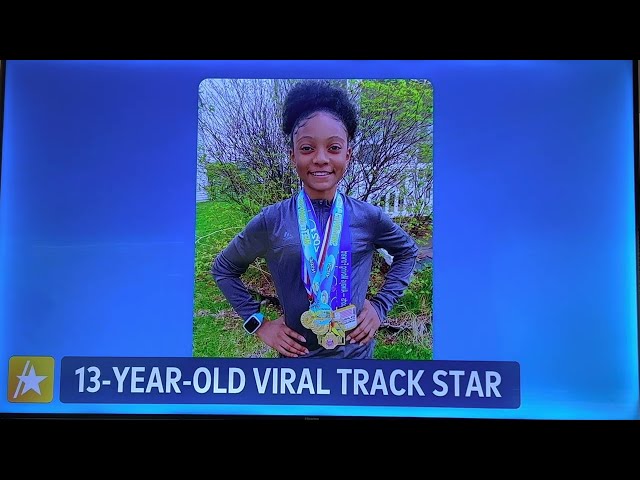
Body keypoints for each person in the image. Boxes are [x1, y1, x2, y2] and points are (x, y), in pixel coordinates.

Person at [212, 80, 419, 359]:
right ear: (292, 155)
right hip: (297, 364)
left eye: (333, 148)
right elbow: (224, 268)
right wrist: (258, 324)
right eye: (307, 148)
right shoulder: (272, 220)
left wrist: (380, 306)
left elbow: (407, 251)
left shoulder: (368, 218)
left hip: (355, 361)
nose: (321, 159)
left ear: (348, 155)